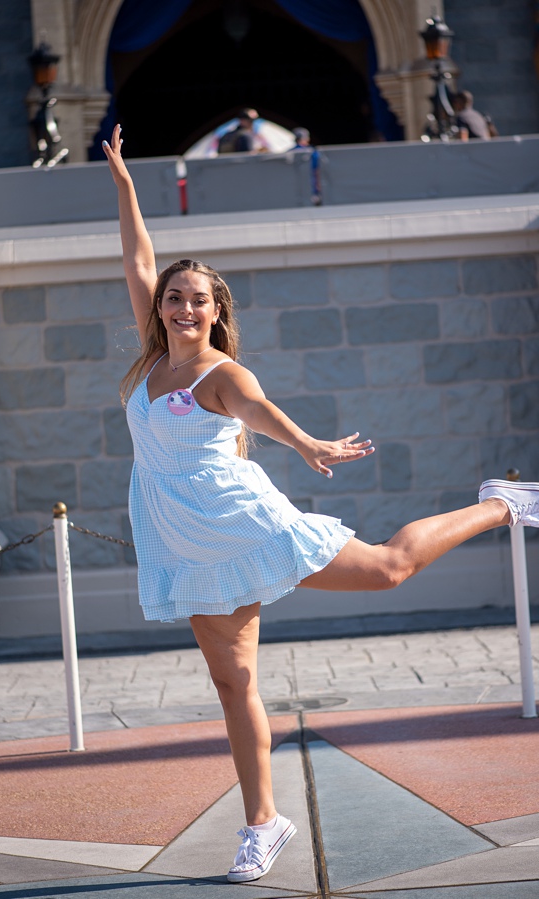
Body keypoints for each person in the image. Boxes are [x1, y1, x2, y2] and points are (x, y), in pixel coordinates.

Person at [102, 124, 538, 883]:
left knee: (389, 569)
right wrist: (126, 184)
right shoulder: (150, 360)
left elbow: (261, 410)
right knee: (234, 685)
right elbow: (138, 259)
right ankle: (263, 824)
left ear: (215, 310)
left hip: (246, 521)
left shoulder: (218, 371)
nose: (182, 308)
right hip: (192, 543)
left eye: (196, 300)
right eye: (174, 297)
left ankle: (499, 505)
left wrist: (307, 445)